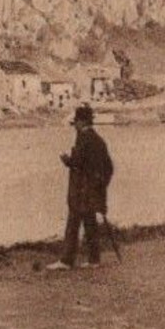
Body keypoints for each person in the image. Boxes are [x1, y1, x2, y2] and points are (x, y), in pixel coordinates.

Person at [47, 104, 115, 271]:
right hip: (93, 191)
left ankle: (66, 261)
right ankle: (94, 260)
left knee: (73, 223)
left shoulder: (84, 139)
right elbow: (109, 167)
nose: (74, 126)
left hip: (80, 192)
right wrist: (101, 186)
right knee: (90, 223)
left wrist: (66, 160)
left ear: (81, 122)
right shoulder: (98, 140)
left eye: (76, 122)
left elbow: (77, 163)